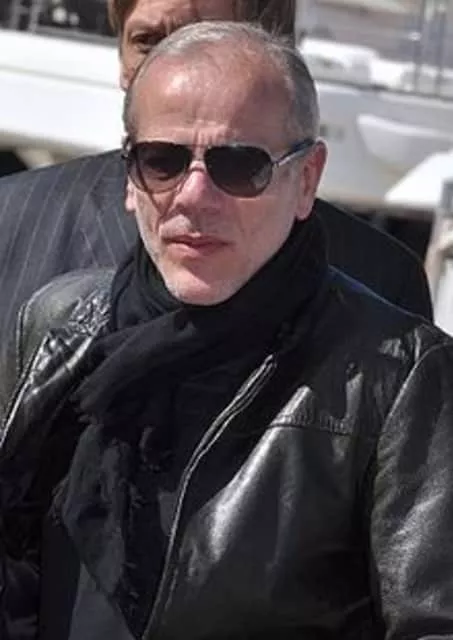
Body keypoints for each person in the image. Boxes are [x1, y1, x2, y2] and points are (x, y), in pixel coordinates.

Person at [1, 21, 453, 640]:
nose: (194, 195)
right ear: (130, 177)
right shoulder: (59, 324)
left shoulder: (398, 377)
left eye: (238, 166)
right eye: (162, 161)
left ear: (307, 179)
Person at [0, 0, 432, 347]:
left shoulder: (380, 282)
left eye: (201, 43)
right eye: (148, 42)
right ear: (120, 58)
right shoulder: (15, 221)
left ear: (275, 54)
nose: (172, 68)